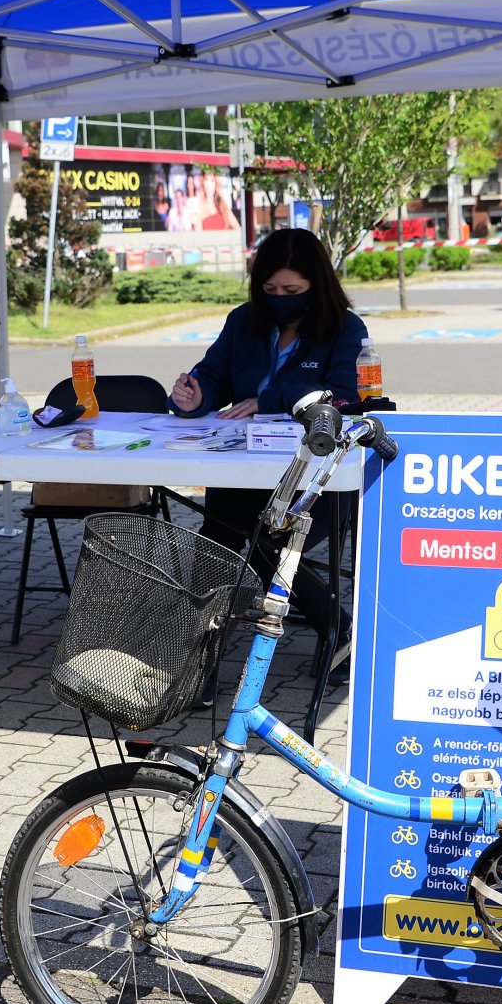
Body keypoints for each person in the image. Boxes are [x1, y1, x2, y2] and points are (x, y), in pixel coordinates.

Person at [171, 228, 368, 705]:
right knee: (216, 543)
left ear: (316, 286)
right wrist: (193, 395)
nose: (280, 300)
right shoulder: (243, 322)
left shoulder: (346, 329)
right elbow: (213, 378)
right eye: (271, 290)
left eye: (292, 292)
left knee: (268, 542)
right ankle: (198, 658)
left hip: (314, 477)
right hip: (242, 469)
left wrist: (268, 400)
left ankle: (339, 630)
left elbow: (347, 396)